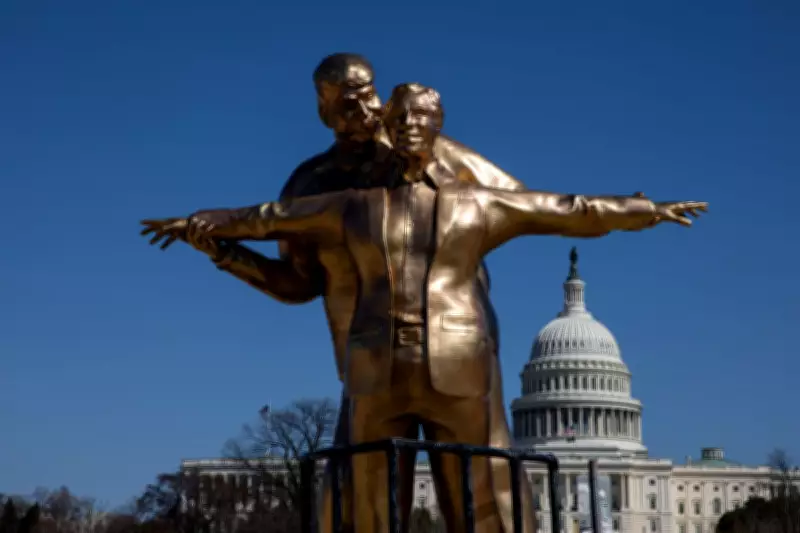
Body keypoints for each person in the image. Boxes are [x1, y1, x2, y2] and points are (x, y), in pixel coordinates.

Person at [142, 83, 707, 533]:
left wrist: (646, 209)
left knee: (484, 493)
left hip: (458, 361)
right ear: (388, 127)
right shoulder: (349, 204)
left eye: (423, 118)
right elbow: (268, 217)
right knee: (363, 496)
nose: (411, 126)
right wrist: (202, 224)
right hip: (375, 365)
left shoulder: (480, 203)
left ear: (439, 127)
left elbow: (571, 209)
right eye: (402, 118)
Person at [147, 53, 532, 532]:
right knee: (359, 506)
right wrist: (227, 255)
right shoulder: (312, 184)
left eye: (370, 94)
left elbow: (514, 205)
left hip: (453, 346)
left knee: (484, 492)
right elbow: (296, 285)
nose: (367, 111)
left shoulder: (431, 152)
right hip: (368, 361)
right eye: (349, 105)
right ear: (326, 115)